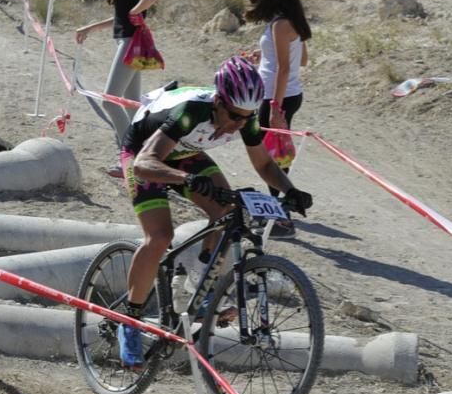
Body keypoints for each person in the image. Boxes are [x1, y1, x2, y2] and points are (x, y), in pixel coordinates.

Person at [114, 56, 313, 367]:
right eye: (233, 115)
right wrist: (186, 179)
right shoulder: (191, 111)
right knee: (160, 236)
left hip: (184, 153)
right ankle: (130, 320)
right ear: (219, 100)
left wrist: (290, 191)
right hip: (144, 153)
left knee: (226, 210)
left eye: (245, 116)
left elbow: (263, 163)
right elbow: (144, 164)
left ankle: (198, 287)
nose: (237, 123)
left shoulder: (244, 117)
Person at [75, 0, 158, 177]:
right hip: (129, 41)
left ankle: (129, 157)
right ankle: (146, 154)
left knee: (110, 101)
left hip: (130, 44)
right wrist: (90, 28)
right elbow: (120, 17)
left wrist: (137, 9)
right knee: (132, 106)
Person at [245, 0, 311, 238]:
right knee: (273, 153)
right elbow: (301, 60)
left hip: (276, 97)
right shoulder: (289, 21)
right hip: (284, 93)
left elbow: (285, 68)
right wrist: (263, 59)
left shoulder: (281, 24)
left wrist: (275, 108)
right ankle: (279, 210)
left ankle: (280, 218)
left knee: (268, 157)